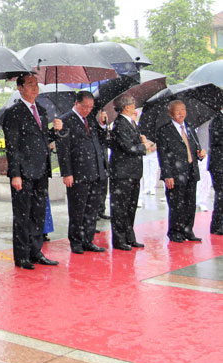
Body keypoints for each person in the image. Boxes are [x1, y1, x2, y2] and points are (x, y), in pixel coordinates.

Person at [2, 74, 61, 269]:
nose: (35, 88)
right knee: (22, 215)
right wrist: (15, 174)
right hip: (24, 172)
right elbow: (12, 146)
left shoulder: (42, 111)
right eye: (30, 85)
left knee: (38, 213)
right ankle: (22, 256)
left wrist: (56, 131)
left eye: (36, 85)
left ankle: (36, 251)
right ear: (20, 88)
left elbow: (43, 138)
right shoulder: (14, 113)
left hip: (42, 170)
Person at [56, 91, 108, 254]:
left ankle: (88, 239)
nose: (88, 110)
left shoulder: (91, 118)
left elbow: (101, 140)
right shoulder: (65, 120)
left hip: (96, 170)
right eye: (85, 106)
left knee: (92, 209)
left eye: (91, 107)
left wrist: (102, 124)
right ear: (76, 103)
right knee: (78, 209)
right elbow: (63, 149)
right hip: (78, 171)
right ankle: (76, 241)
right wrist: (67, 172)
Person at [109, 94, 154, 250]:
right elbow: (127, 147)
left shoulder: (132, 123)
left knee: (131, 206)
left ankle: (129, 235)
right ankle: (119, 239)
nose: (135, 107)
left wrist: (142, 141)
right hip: (122, 173)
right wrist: (144, 147)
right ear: (126, 107)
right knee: (120, 207)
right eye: (133, 104)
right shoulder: (120, 124)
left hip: (133, 172)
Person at [156, 100, 205, 243]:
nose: (181, 113)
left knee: (190, 203)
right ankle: (175, 231)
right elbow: (163, 155)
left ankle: (188, 230)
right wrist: (167, 175)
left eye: (183, 110)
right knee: (177, 204)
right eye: (177, 110)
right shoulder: (164, 130)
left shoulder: (189, 128)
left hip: (191, 170)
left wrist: (199, 153)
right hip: (175, 173)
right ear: (171, 113)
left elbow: (194, 147)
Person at [209, 109, 223, 235]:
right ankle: (218, 226)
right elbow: (217, 139)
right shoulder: (217, 120)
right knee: (221, 196)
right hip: (219, 165)